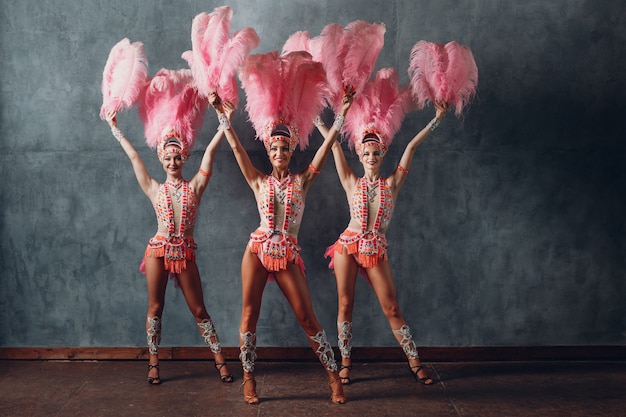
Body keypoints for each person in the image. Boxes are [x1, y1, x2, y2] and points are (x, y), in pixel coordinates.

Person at [209, 82, 354, 404]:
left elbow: (327, 144)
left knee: (307, 317)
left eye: (284, 149)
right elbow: (236, 149)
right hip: (257, 250)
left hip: (287, 252)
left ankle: (333, 377)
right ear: (269, 151)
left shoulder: (302, 180)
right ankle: (249, 379)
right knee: (249, 314)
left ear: (291, 151)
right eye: (274, 149)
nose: (278, 154)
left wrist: (342, 112)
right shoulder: (258, 180)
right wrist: (222, 115)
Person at [316, 70, 448, 386]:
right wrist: (320, 121)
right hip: (348, 246)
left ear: (383, 153)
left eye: (376, 153)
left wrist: (437, 119)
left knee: (391, 306)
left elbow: (412, 148)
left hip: (376, 249)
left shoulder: (393, 183)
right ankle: (345, 362)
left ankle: (414, 362)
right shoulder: (351, 181)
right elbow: (334, 147)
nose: (372, 157)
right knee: (345, 304)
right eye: (367, 153)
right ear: (360, 154)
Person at [103, 69, 234, 386]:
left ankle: (220, 360)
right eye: (168, 158)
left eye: (178, 157)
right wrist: (115, 129)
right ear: (162, 159)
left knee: (199, 309)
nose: (173, 162)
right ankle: (153, 362)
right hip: (158, 250)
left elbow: (213, 152)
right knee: (156, 306)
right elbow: (135, 158)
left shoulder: (197, 185)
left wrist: (224, 122)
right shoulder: (153, 188)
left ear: (184, 157)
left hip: (185, 251)